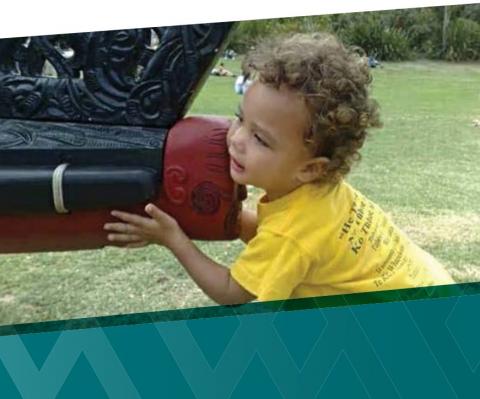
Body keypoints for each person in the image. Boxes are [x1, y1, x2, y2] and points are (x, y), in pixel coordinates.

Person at [104, 33, 454, 305]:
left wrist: (173, 239)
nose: (237, 140)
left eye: (261, 139)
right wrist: (226, 217)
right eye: (240, 119)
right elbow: (279, 240)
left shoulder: (293, 232)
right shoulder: (318, 192)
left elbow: (231, 291)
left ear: (310, 168)